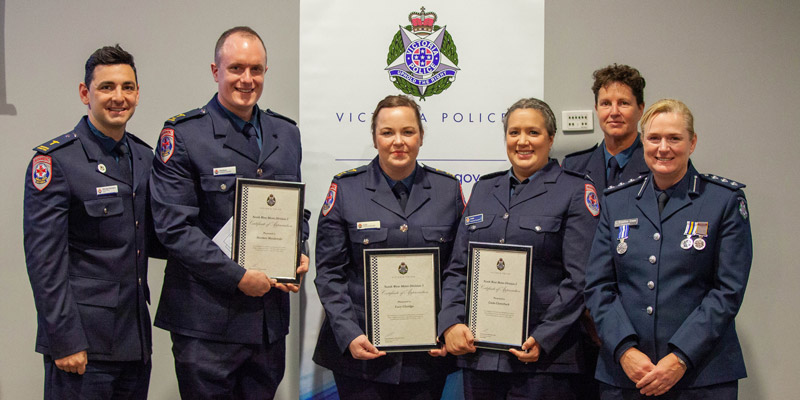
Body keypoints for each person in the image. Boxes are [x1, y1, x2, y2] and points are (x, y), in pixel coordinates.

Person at [149, 26, 309, 399]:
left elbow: (294, 209)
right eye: (236, 68)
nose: (247, 79)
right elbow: (174, 228)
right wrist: (237, 276)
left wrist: (297, 249)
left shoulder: (286, 134)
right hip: (207, 322)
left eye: (256, 69)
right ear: (215, 70)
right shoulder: (185, 135)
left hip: (267, 322)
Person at [584, 99, 752, 399]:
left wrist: (680, 357)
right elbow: (598, 286)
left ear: (692, 142)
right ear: (643, 141)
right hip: (627, 376)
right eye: (654, 138)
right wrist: (624, 350)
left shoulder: (723, 201)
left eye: (674, 138)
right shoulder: (616, 202)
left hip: (701, 376)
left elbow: (727, 291)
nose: (663, 148)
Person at [23, 44, 162, 399]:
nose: (119, 97)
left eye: (127, 87)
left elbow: (163, 233)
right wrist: (65, 340)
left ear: (137, 93)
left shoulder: (145, 157)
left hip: (134, 343)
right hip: (83, 347)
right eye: (107, 87)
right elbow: (45, 264)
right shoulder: (57, 163)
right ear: (85, 93)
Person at [439, 98, 600, 399]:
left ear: (551, 138)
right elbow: (458, 267)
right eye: (514, 133)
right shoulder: (486, 189)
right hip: (481, 356)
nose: (522, 141)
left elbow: (580, 278)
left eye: (533, 133)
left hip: (545, 360)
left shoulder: (575, 191)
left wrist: (544, 336)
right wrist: (450, 322)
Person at [313, 95, 464, 399]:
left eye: (408, 132)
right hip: (362, 354)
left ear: (421, 137)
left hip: (426, 355)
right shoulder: (345, 190)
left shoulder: (448, 191)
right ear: (374, 138)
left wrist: (449, 325)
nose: (398, 141)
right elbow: (329, 273)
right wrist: (348, 333)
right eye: (387, 132)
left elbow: (458, 269)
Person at [562, 64, 650, 190]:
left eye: (623, 103)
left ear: (640, 109)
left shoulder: (658, 164)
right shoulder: (573, 168)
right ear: (597, 109)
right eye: (606, 104)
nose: (614, 112)